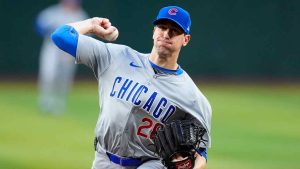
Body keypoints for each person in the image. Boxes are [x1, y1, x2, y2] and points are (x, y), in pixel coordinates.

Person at [51, 5, 212, 169]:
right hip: (103, 159)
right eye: (162, 27)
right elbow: (61, 35)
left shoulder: (191, 95)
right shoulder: (116, 57)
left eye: (175, 30)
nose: (166, 34)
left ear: (186, 39)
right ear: (154, 31)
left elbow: (201, 152)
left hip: (151, 164)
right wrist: (92, 25)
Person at [35, 0, 88, 113]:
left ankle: (59, 103)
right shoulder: (54, 12)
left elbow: (87, 35)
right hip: (52, 47)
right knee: (48, 75)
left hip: (69, 50)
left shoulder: (80, 15)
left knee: (64, 79)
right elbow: (39, 24)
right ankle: (45, 101)